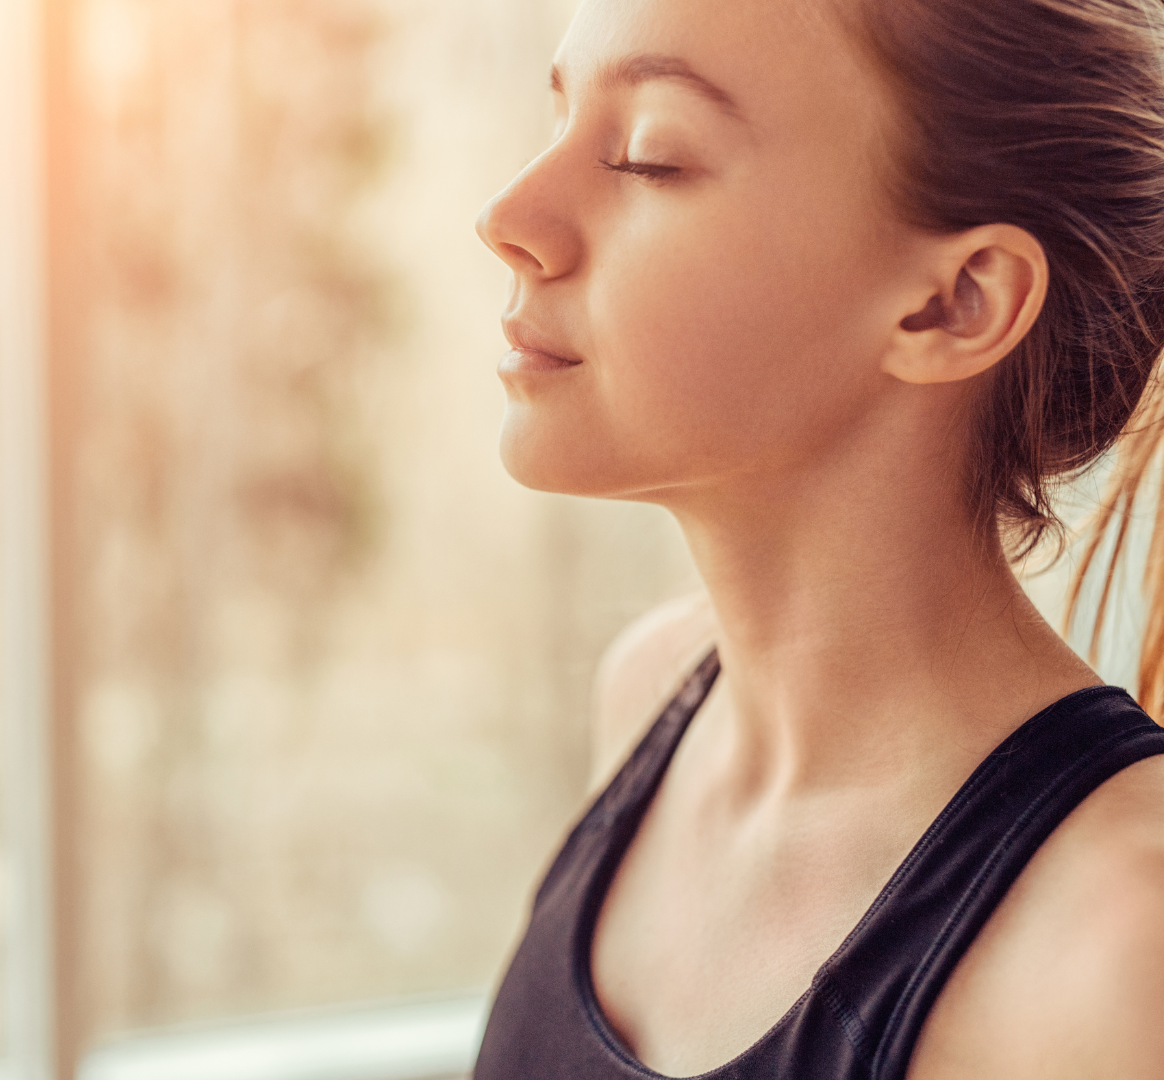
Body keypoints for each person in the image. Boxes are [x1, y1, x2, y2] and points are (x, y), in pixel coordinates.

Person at [470, 0, 1164, 1077]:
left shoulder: (1122, 943)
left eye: (650, 156)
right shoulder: (651, 694)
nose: (507, 216)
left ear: (955, 303)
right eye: (558, 119)